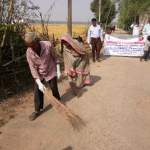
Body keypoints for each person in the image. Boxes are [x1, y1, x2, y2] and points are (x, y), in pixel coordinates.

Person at [25, 32, 61, 121]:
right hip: (39, 72)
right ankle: (37, 110)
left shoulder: (48, 45)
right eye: (29, 46)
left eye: (33, 45)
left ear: (38, 41)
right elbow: (32, 68)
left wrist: (58, 69)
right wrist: (38, 82)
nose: (31, 48)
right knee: (37, 90)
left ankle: (58, 103)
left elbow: (55, 57)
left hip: (50, 68)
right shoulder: (29, 52)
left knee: (53, 87)